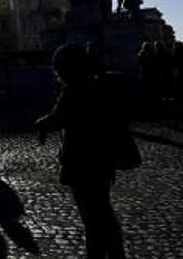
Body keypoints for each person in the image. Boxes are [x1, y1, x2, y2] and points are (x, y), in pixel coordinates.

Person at [36, 44, 128, 259]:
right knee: (103, 211)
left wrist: (39, 124)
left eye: (57, 68)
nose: (56, 73)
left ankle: (101, 254)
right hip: (102, 158)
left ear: (65, 68)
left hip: (81, 161)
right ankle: (115, 253)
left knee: (92, 217)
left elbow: (58, 118)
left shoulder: (73, 89)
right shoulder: (97, 84)